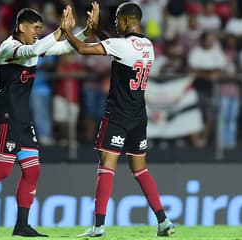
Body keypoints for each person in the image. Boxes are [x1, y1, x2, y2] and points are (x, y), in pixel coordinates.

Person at [0, 6, 92, 237]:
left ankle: (21, 225)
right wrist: (60, 29)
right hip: (6, 117)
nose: (37, 32)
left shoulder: (32, 48)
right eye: (35, 28)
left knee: (32, 171)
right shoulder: (8, 47)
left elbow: (62, 48)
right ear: (21, 27)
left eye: (40, 29)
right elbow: (38, 47)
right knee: (2, 170)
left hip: (22, 119)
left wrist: (85, 32)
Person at [61, 2, 175, 237]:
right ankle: (163, 221)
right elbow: (117, 48)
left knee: (106, 165)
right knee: (139, 168)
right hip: (138, 116)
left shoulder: (121, 45)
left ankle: (99, 226)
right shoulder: (148, 45)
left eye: (116, 20)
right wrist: (97, 31)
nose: (114, 24)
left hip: (118, 115)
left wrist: (67, 32)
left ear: (125, 21)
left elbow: (83, 49)